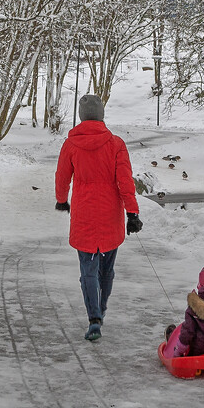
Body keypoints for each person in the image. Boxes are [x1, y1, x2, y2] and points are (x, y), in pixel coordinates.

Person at [55, 94, 142, 341]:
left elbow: (62, 177)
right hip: (109, 215)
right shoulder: (116, 144)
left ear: (82, 117)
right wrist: (132, 212)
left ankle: (93, 318)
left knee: (88, 268)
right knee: (107, 269)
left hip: (83, 214)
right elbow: (125, 182)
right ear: (101, 115)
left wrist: (62, 200)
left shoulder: (70, 145)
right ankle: (101, 308)